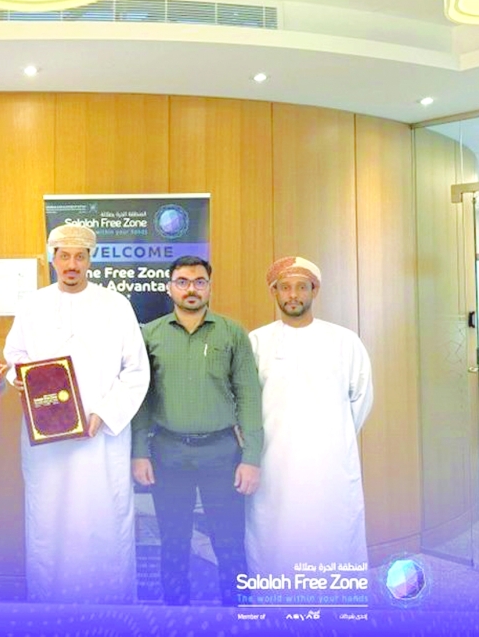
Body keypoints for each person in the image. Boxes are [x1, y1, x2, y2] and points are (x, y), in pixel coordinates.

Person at [4, 225, 149, 603]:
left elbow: (136, 371)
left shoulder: (116, 305)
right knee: (49, 519)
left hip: (100, 438)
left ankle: (110, 607)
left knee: (103, 517)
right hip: (47, 439)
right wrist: (16, 377)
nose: (71, 264)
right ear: (52, 258)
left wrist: (103, 413)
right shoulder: (33, 304)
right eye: (64, 256)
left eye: (79, 256)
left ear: (89, 260)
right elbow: (13, 357)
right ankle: (49, 604)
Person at [131, 255, 262, 607]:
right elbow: (141, 398)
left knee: (229, 540)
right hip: (168, 452)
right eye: (183, 281)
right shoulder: (151, 334)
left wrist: (251, 458)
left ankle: (238, 615)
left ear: (209, 286)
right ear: (169, 287)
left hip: (221, 452)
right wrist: (139, 452)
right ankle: (175, 617)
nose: (191, 289)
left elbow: (249, 397)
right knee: (173, 540)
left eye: (199, 281)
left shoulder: (232, 333)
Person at [246, 257, 373, 577]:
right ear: (274, 292)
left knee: (332, 531)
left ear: (314, 291)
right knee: (276, 536)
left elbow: (361, 398)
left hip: (330, 465)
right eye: (285, 288)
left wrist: (335, 435)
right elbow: (245, 403)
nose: (293, 295)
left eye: (301, 287)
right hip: (275, 462)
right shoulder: (257, 341)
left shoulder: (344, 341)